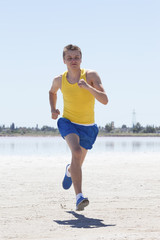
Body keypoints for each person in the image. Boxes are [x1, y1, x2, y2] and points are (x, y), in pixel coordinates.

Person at [49, 44, 108, 211]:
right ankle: (79, 197)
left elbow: (105, 99)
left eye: (76, 57)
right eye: (69, 58)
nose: (73, 61)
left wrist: (88, 87)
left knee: (77, 164)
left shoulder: (90, 75)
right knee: (75, 152)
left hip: (88, 128)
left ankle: (69, 170)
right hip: (68, 122)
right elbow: (52, 92)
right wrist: (53, 109)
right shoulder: (59, 80)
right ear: (64, 60)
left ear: (81, 59)